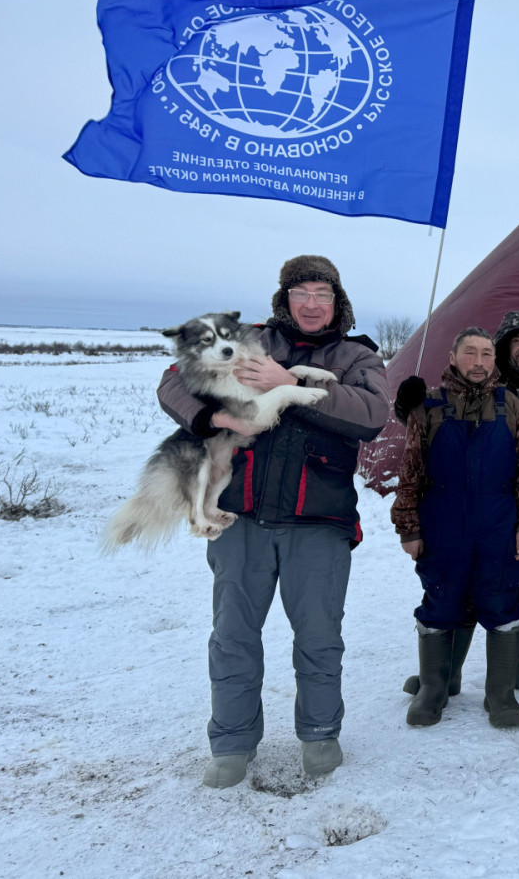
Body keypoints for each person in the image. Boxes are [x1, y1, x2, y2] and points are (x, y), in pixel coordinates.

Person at [156, 255, 389, 789]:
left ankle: (320, 733)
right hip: (241, 517)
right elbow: (173, 380)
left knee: (319, 636)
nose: (311, 304)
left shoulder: (356, 356)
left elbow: (373, 415)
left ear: (337, 301)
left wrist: (287, 384)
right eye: (300, 293)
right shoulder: (246, 339)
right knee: (233, 635)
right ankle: (233, 744)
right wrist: (212, 416)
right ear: (284, 299)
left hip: (320, 522)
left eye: (322, 294)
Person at [390, 327, 519, 730]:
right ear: (454, 356)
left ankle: (500, 695)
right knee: (441, 602)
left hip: (498, 523)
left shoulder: (510, 406)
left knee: (500, 603)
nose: (480, 362)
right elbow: (409, 473)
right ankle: (434, 689)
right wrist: (408, 527)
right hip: (443, 523)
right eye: (471, 353)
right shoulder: (430, 407)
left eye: (487, 354)